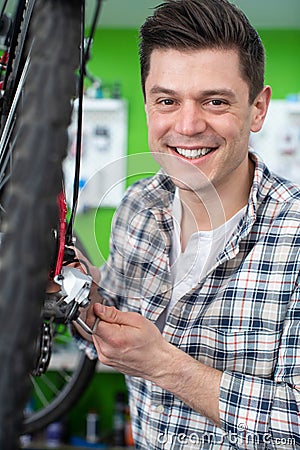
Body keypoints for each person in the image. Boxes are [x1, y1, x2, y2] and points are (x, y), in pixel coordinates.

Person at [74, 0, 300, 448]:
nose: (189, 125)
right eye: (167, 101)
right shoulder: (138, 206)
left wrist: (164, 364)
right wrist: (75, 290)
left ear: (258, 108)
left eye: (215, 101)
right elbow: (110, 335)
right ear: (147, 104)